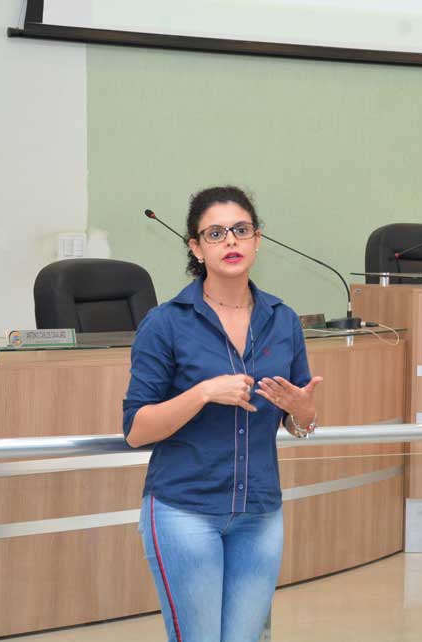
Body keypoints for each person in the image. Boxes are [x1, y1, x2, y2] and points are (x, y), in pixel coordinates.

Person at [123, 186, 321, 642]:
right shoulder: (166, 323)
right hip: (184, 510)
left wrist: (303, 412)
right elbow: (136, 429)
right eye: (215, 233)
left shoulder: (283, 319)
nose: (230, 241)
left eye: (241, 230)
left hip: (259, 514)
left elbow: (299, 422)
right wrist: (203, 393)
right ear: (196, 247)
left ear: (257, 239)